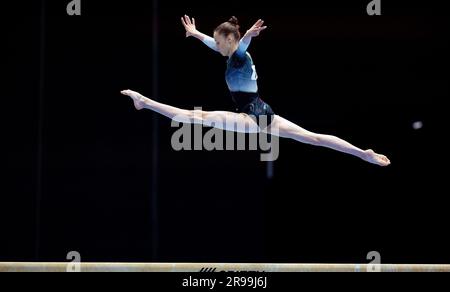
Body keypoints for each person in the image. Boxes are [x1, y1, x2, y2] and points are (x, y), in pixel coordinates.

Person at [121, 15, 390, 166]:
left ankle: (144, 102)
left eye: (219, 40)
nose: (215, 45)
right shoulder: (227, 51)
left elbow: (242, 45)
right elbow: (213, 44)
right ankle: (362, 154)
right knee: (314, 139)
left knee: (194, 119)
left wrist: (247, 34)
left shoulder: (238, 54)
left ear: (230, 40)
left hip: (251, 116)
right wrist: (195, 33)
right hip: (263, 112)